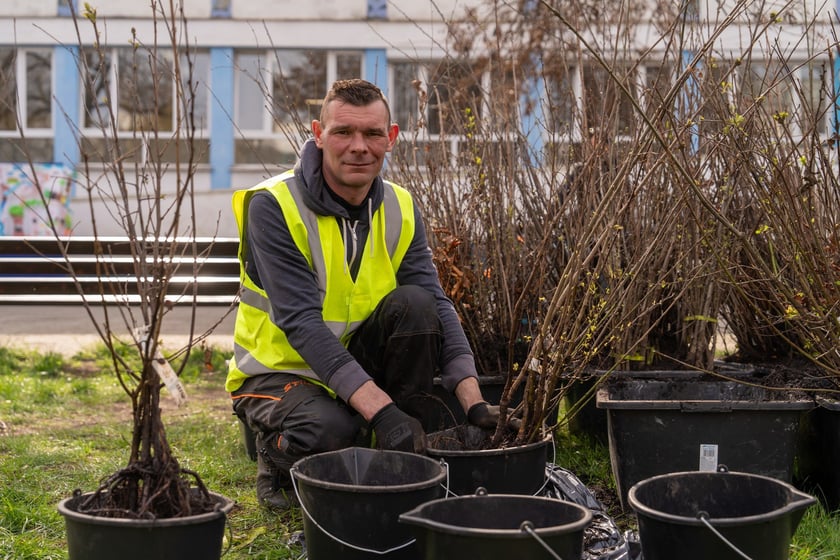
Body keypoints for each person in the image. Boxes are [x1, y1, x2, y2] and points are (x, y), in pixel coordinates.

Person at [226, 78, 502, 510]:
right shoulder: (274, 206)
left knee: (416, 305)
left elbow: (436, 303)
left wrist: (475, 402)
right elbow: (301, 322)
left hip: (351, 364)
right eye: (343, 132)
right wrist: (383, 413)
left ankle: (402, 457)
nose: (359, 147)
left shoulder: (399, 206)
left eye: (372, 133)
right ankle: (275, 457)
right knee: (330, 433)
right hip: (278, 372)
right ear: (318, 134)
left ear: (390, 138)